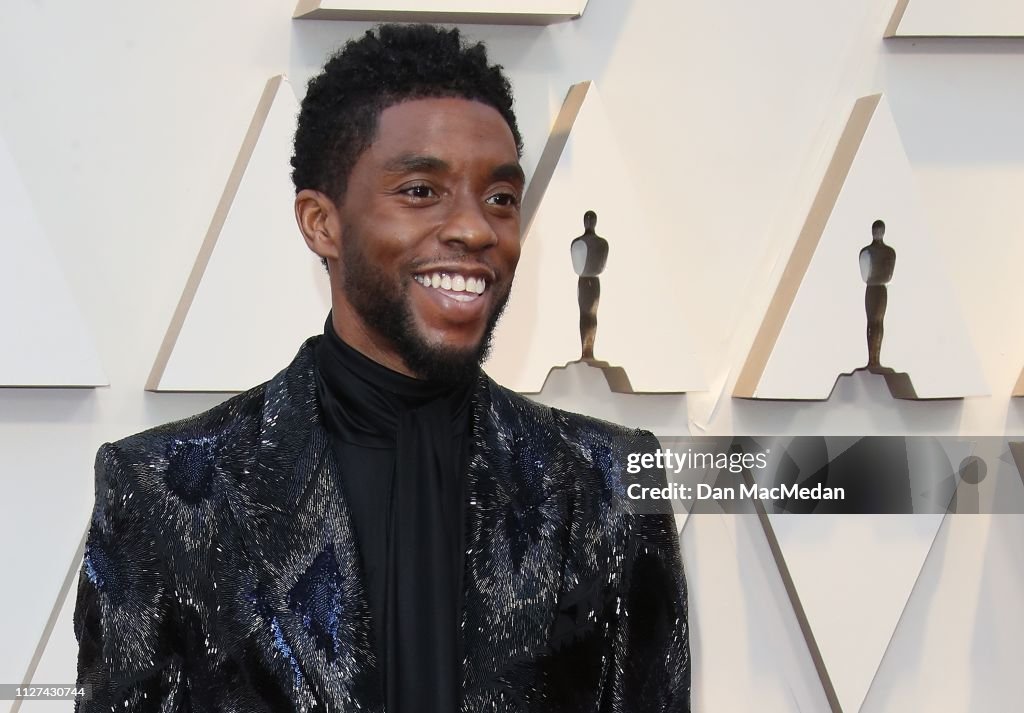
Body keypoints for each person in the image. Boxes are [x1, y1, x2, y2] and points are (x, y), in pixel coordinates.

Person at [73, 24, 690, 712]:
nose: (477, 229)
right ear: (321, 223)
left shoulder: (605, 479)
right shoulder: (165, 488)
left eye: (501, 198)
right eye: (423, 191)